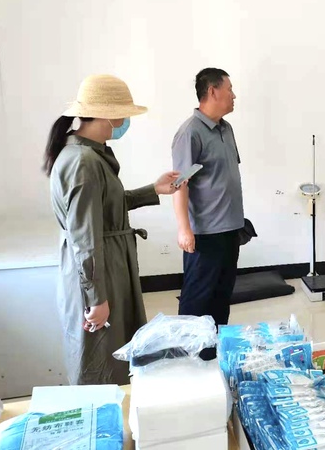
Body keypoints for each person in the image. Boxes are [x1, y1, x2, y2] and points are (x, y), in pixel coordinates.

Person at [43, 74, 181, 385]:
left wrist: (154, 189)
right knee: (101, 358)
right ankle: (106, 412)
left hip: (104, 269)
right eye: (123, 113)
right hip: (98, 273)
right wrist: (97, 298)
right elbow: (85, 238)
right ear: (108, 115)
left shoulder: (86, 154)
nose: (125, 121)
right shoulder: (83, 162)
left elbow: (106, 207)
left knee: (114, 352)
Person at [172, 68, 244, 326]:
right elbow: (180, 184)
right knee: (197, 300)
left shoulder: (226, 128)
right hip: (205, 233)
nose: (234, 95)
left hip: (230, 229)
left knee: (222, 297)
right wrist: (184, 229)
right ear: (213, 91)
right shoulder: (190, 133)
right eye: (229, 89)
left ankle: (215, 346)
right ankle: (188, 349)